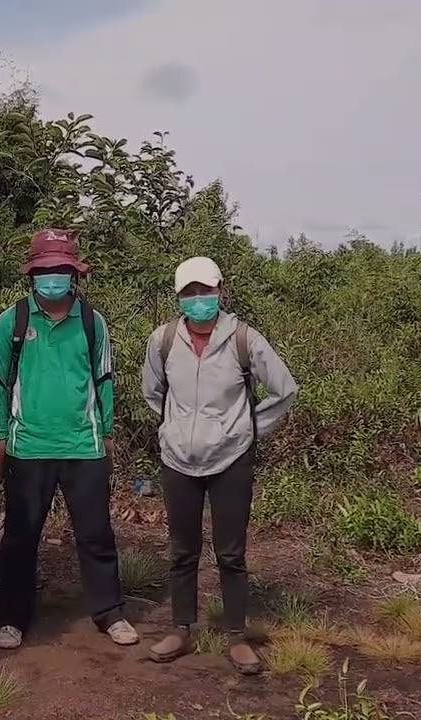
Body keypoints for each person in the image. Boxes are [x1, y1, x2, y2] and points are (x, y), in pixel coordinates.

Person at [140, 256, 297, 673]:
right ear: (178, 297)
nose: (198, 300)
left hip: (231, 459)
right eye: (189, 293)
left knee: (231, 552)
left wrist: (245, 429)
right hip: (178, 459)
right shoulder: (163, 340)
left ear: (221, 291)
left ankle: (235, 636)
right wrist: (175, 428)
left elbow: (284, 390)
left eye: (205, 292)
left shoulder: (244, 338)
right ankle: (180, 628)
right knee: (181, 550)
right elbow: (153, 391)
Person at [0, 228, 138, 650]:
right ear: (31, 275)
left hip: (82, 446)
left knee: (96, 534)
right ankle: (13, 619)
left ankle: (110, 613)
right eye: (45, 270)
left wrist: (106, 435)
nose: (53, 277)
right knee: (21, 536)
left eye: (61, 270)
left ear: (75, 274)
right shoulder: (11, 322)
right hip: (27, 447)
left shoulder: (91, 322)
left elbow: (104, 380)